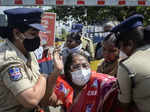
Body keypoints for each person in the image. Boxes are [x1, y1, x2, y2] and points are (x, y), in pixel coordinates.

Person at [0, 8, 63, 112]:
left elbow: (43, 99)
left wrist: (56, 72)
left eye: (38, 34)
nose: (38, 38)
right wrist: (44, 75)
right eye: (33, 34)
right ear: (17, 34)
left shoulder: (29, 53)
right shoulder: (8, 59)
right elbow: (31, 100)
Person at [111, 14, 150, 112]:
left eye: (120, 46)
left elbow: (124, 104)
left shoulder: (126, 66)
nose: (120, 51)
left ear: (130, 44)